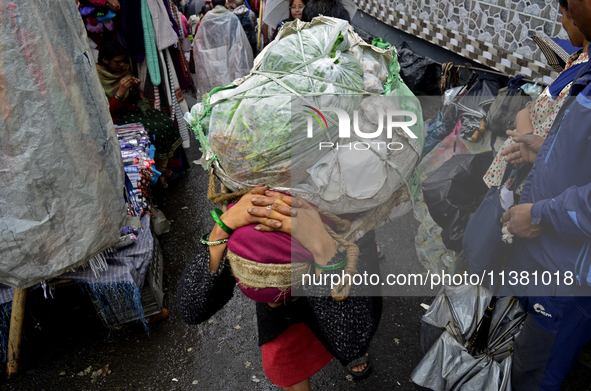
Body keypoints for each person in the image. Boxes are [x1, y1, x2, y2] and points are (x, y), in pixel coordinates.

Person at [177, 188, 380, 391]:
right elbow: (191, 309)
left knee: (350, 335)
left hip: (333, 234)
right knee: (285, 362)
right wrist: (222, 228)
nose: (273, 303)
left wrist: (324, 247)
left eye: (282, 294)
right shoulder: (249, 230)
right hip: (289, 289)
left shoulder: (328, 237)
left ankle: (351, 344)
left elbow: (350, 340)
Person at [497, 0, 591, 389]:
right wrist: (543, 149)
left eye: (568, 8)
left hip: (568, 277)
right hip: (544, 258)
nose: (564, 15)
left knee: (535, 374)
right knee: (514, 355)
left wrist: (539, 214)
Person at [483, 1, 589, 194]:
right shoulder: (576, 62)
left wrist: (527, 138)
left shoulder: (583, 80)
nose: (563, 22)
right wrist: (528, 133)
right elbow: (527, 112)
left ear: (577, 18)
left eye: (564, 14)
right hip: (509, 171)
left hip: (526, 185)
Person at [96, 39, 183, 188]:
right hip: (115, 117)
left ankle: (163, 168)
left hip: (129, 109)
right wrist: (119, 93)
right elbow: (103, 113)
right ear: (105, 60)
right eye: (117, 62)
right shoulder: (96, 78)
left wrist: (134, 89)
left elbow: (133, 99)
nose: (122, 65)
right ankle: (159, 173)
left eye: (123, 61)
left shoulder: (123, 70)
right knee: (156, 129)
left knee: (166, 121)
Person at [192, 0, 254, 98]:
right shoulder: (232, 18)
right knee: (228, 94)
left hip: (211, 62)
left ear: (212, 4)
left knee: (212, 96)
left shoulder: (206, 20)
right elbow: (240, 44)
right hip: (229, 61)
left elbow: (198, 46)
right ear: (225, 3)